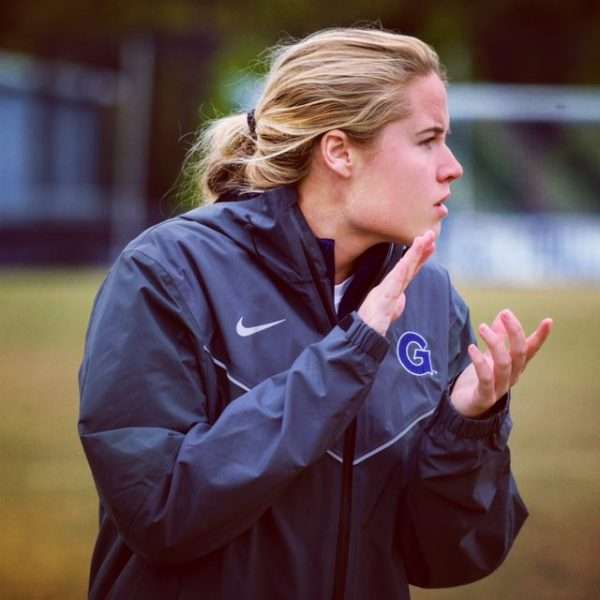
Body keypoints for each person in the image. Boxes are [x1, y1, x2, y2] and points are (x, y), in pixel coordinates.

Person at [78, 27, 552, 600]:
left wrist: (467, 423)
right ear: (340, 151)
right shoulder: (166, 273)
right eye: (428, 140)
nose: (452, 166)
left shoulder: (430, 298)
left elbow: (446, 558)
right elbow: (160, 513)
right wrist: (349, 355)